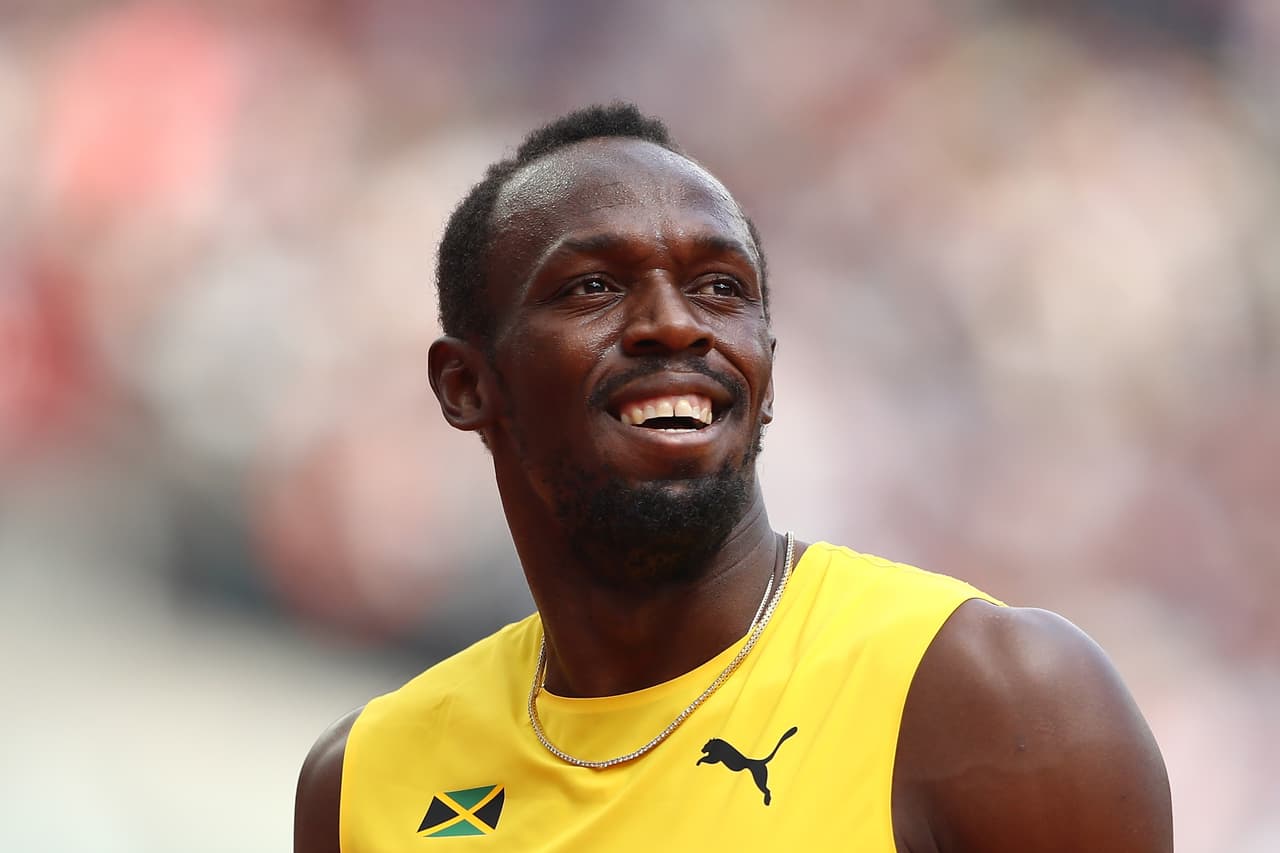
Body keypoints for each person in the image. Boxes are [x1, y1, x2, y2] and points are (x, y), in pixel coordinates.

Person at [294, 103, 1172, 852]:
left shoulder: (998, 703)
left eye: (720, 287)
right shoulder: (364, 782)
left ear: (767, 369)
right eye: (594, 285)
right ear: (467, 385)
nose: (675, 325)